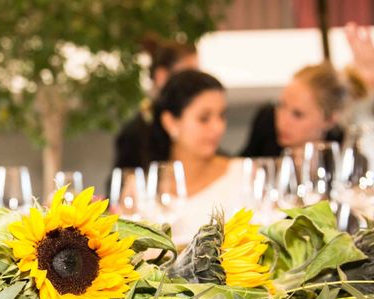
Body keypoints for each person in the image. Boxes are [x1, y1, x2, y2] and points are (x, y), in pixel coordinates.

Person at [151, 69, 245, 240]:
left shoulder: (243, 175)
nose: (218, 127)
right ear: (170, 122)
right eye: (204, 118)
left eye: (222, 115)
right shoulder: (145, 186)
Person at [114, 40, 198, 170]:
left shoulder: (192, 122)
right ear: (161, 76)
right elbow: (121, 181)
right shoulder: (137, 132)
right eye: (189, 75)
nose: (196, 83)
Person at [240, 63, 346, 157]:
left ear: (330, 120)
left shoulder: (344, 154)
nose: (283, 121)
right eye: (280, 105)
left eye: (297, 114)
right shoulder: (267, 122)